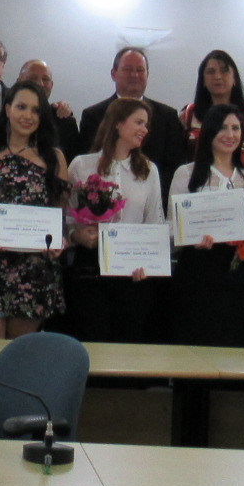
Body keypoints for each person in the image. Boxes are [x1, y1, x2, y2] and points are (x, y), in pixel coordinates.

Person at [0, 80, 70, 339]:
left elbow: (59, 213)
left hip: (33, 271)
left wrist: (59, 240)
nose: (28, 116)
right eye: (22, 107)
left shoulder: (54, 158)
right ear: (8, 109)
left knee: (18, 360)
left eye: (35, 110)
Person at [167, 103, 244, 347]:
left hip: (237, 273)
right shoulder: (187, 174)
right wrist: (190, 238)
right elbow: (172, 227)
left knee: (232, 340)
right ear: (210, 131)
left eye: (236, 128)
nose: (230, 134)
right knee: (194, 342)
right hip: (196, 269)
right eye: (223, 128)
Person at [64, 98, 166, 342]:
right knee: (92, 340)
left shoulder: (149, 170)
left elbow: (154, 223)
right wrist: (77, 235)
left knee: (127, 342)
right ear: (118, 124)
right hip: (90, 268)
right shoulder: (82, 165)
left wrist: (150, 264)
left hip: (133, 273)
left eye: (147, 124)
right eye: (139, 122)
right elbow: (65, 217)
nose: (145, 129)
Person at [80, 46, 188, 178]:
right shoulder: (93, 116)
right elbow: (88, 166)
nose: (134, 75)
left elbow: (174, 167)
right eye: (127, 69)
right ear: (114, 74)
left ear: (147, 74)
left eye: (140, 70)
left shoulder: (167, 116)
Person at [178, 50, 244, 185]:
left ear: (234, 78)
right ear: (203, 81)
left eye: (224, 71)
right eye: (211, 72)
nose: (217, 76)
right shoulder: (189, 114)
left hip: (240, 189)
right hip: (196, 189)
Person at [15, 59, 80, 156]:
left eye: (45, 79)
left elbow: (72, 166)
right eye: (32, 78)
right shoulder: (2, 120)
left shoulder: (66, 123)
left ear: (52, 85)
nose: (40, 84)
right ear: (19, 82)